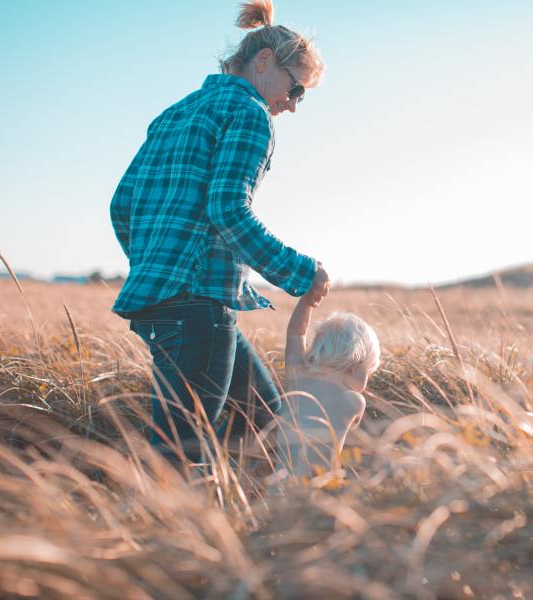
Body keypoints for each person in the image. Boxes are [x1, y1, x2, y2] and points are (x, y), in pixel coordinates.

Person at [109, 0, 328, 464]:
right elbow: (228, 210)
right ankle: (164, 533)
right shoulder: (251, 114)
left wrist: (156, 266)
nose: (292, 105)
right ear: (265, 62)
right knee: (180, 457)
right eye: (297, 90)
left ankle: (275, 526)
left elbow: (121, 205)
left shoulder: (176, 112)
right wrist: (301, 273)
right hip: (198, 306)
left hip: (163, 301)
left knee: (269, 424)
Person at [275, 293, 380, 478]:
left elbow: (296, 333)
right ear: (354, 367)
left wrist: (307, 302)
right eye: (369, 371)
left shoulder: (298, 377)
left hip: (277, 485)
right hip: (317, 489)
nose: (369, 377)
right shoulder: (354, 401)